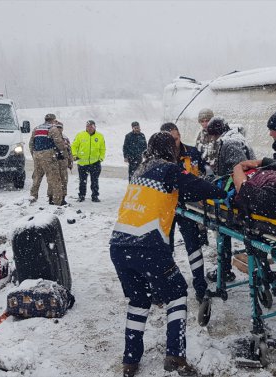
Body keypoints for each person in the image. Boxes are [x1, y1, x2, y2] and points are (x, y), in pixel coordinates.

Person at [110, 132, 226, 377]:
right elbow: (194, 185)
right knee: (177, 294)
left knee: (139, 300)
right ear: (168, 150)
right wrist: (220, 192)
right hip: (148, 245)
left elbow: (169, 195)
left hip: (119, 245)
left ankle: (130, 362)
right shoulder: (168, 170)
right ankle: (176, 356)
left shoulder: (140, 170)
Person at [161, 122, 210, 303]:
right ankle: (167, 286)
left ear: (179, 135)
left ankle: (200, 286)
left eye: (176, 138)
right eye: (169, 140)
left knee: (193, 246)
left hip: (188, 208)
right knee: (166, 248)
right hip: (166, 209)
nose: (174, 143)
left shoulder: (192, 153)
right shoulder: (159, 158)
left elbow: (204, 174)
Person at [204, 116, 255, 283]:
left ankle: (225, 269)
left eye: (211, 135)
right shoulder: (236, 138)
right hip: (244, 194)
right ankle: (258, 270)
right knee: (247, 235)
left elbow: (239, 169)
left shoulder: (230, 143)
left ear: (215, 133)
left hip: (238, 197)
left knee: (224, 231)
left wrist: (222, 188)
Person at [28, 113, 67, 206]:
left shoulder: (36, 129)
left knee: (36, 178)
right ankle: (57, 202)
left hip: (37, 155)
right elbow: (59, 143)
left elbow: (31, 144)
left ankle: (32, 198)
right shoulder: (53, 129)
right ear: (53, 120)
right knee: (54, 179)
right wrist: (63, 153)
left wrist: (35, 155)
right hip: (49, 156)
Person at [71, 120, 106, 202]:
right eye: (88, 126)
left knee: (95, 181)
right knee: (82, 181)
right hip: (82, 163)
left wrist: (101, 158)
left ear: (95, 127)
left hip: (95, 163)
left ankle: (95, 196)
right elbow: (74, 146)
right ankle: (81, 196)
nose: (89, 128)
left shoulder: (100, 136)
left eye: (91, 126)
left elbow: (102, 148)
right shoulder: (80, 135)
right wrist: (74, 155)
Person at [46, 121, 73, 204]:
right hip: (53, 161)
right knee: (52, 181)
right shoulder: (50, 137)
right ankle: (51, 198)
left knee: (64, 180)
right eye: (57, 127)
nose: (59, 129)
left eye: (60, 127)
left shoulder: (65, 138)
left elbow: (69, 151)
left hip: (63, 163)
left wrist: (70, 162)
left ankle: (63, 198)